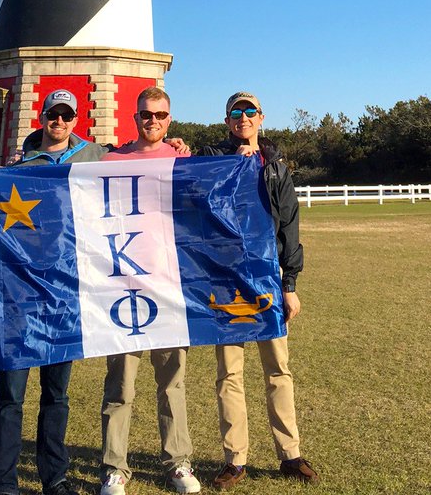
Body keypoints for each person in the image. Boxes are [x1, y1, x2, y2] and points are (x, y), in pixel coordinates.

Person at [0, 89, 107, 495]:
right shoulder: (16, 166)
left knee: (57, 395)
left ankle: (56, 478)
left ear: (76, 118)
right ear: (43, 115)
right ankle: (3, 483)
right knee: (10, 397)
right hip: (17, 298)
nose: (60, 120)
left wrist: (178, 152)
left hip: (67, 297)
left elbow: (137, 175)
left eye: (68, 114)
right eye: (54, 113)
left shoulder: (95, 158)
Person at [201, 93, 318, 488]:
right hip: (226, 280)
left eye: (251, 112)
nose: (244, 118)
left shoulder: (275, 167)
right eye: (237, 112)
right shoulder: (211, 161)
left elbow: (289, 227)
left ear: (261, 119)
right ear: (227, 120)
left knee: (277, 371)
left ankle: (290, 454)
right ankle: (236, 459)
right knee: (229, 374)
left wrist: (290, 284)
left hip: (267, 278)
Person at [99, 86, 201, 495]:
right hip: (121, 290)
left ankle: (178, 462)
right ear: (135, 116)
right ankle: (114, 467)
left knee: (172, 382)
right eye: (146, 114)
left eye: (160, 115)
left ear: (169, 119)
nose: (152, 121)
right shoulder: (110, 161)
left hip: (169, 289)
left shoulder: (182, 158)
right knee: (120, 385)